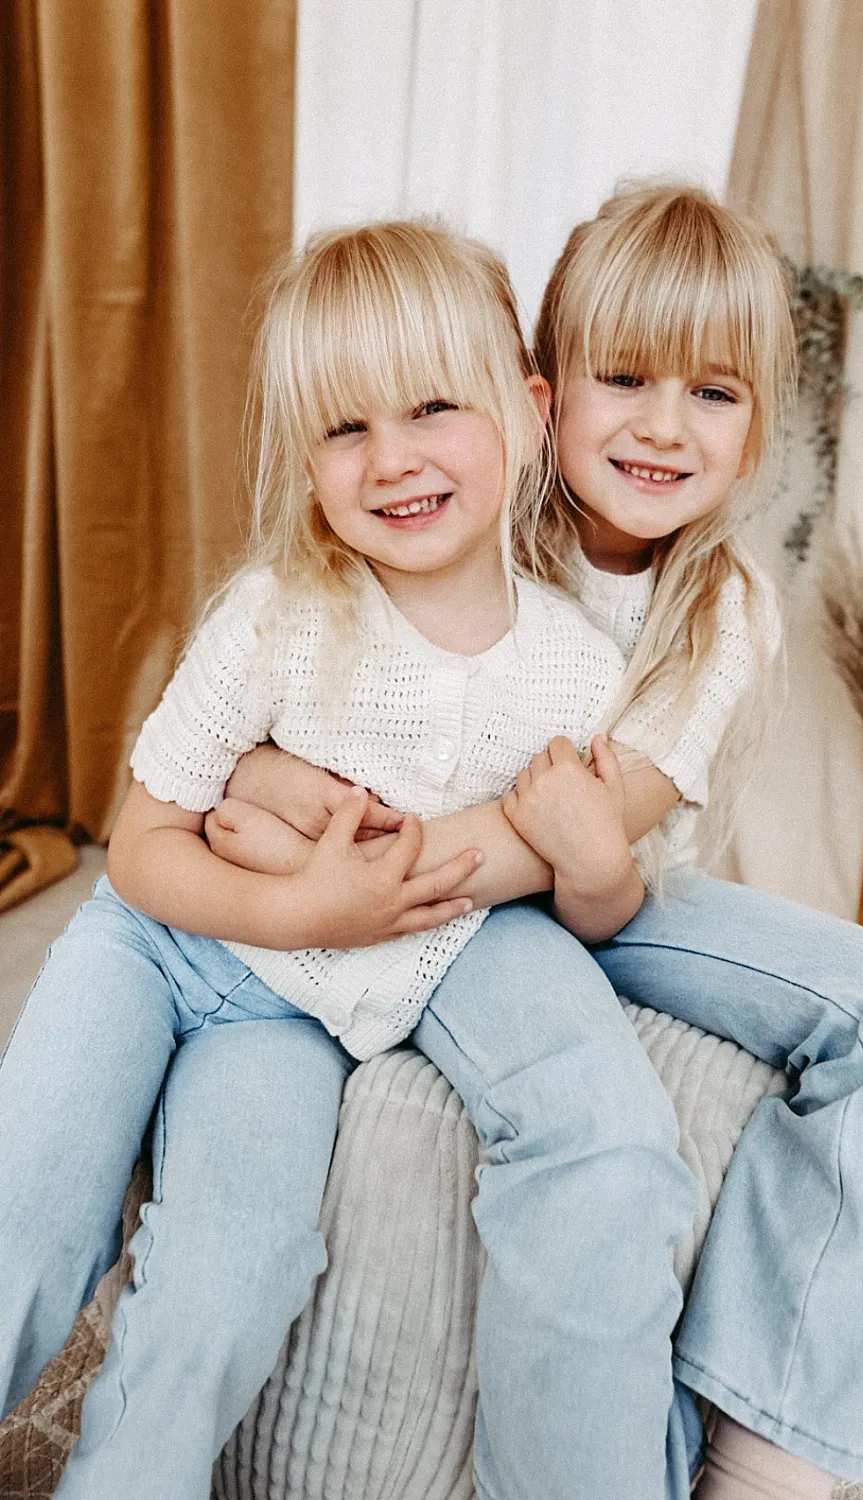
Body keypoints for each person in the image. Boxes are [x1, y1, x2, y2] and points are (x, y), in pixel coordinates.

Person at [214, 186, 863, 1500]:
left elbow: (599, 851)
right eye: (624, 377)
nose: (665, 427)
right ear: (542, 392)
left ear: (759, 430)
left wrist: (414, 861)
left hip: (620, 899)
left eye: (714, 394)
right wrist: (285, 802)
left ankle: (772, 1450)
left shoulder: (721, 606)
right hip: (482, 897)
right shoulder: (475, 516)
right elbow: (295, 694)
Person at [0, 220, 695, 1499]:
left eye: (434, 406)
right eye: (344, 428)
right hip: (160, 952)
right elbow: (144, 846)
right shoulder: (281, 610)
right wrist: (304, 897)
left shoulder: (575, 678)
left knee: (239, 1270)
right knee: (25, 1219)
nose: (393, 460)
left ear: (530, 413)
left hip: (291, 1026)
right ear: (304, 458)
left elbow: (579, 897)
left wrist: (590, 876)